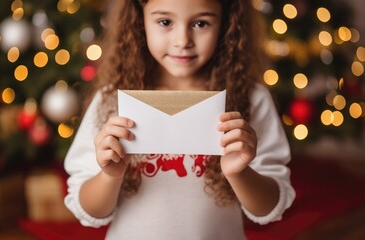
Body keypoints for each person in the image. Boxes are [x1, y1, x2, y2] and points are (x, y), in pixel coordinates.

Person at [64, 0, 296, 239]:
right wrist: (109, 175)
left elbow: (269, 207)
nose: (182, 40)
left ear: (226, 22)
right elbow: (90, 210)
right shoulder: (110, 101)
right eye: (165, 22)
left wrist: (239, 172)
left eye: (200, 23)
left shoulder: (250, 98)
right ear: (139, 20)